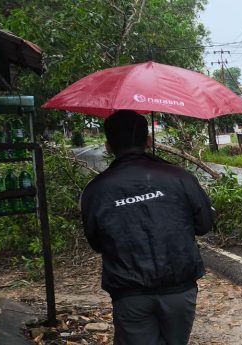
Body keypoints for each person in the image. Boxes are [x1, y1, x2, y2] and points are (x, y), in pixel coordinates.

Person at [80, 110, 213, 345]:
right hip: (179, 289)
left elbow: (96, 243)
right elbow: (204, 225)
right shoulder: (180, 177)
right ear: (149, 141)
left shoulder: (95, 190)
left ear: (108, 146)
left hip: (129, 294)